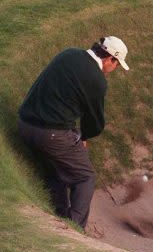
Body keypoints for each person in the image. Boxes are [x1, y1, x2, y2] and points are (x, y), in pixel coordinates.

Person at [17, 37, 130, 231]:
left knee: (57, 169)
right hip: (49, 134)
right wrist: (84, 137)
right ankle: (74, 231)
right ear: (110, 59)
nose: (115, 69)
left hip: (25, 124)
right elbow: (95, 121)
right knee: (85, 177)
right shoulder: (97, 80)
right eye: (117, 65)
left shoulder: (69, 53)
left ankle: (60, 214)